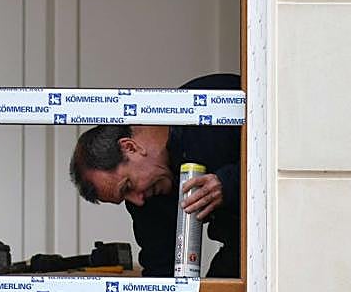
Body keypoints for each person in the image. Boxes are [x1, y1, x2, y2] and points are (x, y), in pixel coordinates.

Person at [68, 73, 241, 278]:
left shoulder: (207, 102)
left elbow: (284, 157)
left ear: (130, 147)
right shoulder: (145, 197)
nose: (137, 201)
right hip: (240, 248)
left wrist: (232, 183)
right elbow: (159, 265)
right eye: (124, 198)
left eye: (127, 187)